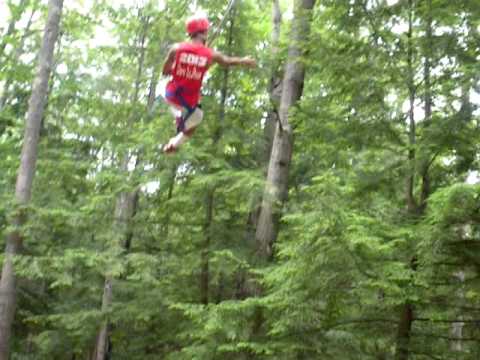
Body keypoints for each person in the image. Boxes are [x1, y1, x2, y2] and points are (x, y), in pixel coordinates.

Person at [160, 13, 256, 154]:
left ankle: (176, 133)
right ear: (204, 34)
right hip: (188, 103)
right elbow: (227, 61)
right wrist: (244, 61)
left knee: (188, 108)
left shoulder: (176, 49)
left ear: (190, 33)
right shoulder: (210, 55)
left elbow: (165, 71)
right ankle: (177, 132)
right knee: (195, 120)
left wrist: (181, 67)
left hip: (171, 96)